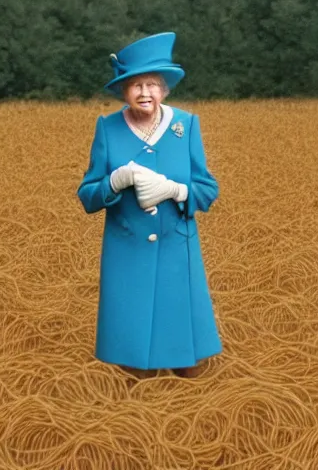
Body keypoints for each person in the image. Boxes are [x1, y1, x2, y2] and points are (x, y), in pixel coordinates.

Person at [76, 32, 222, 379]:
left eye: (153, 84)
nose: (145, 93)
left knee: (187, 362)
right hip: (128, 252)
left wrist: (175, 189)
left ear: (164, 89)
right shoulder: (108, 129)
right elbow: (87, 195)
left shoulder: (185, 125)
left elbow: (207, 189)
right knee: (134, 361)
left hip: (177, 249)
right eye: (137, 85)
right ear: (122, 90)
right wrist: (114, 181)